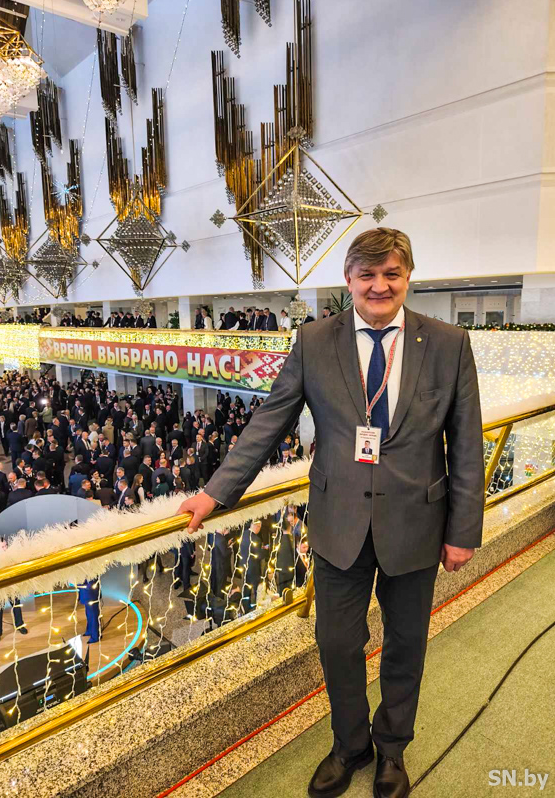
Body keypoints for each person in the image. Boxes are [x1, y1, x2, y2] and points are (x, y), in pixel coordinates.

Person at [178, 227, 485, 798]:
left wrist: (463, 530)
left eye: (391, 274)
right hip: (339, 523)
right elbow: (270, 420)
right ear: (348, 279)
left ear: (408, 278)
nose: (379, 286)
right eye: (367, 274)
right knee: (337, 643)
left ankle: (392, 749)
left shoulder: (448, 343)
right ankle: (350, 745)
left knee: (406, 646)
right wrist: (216, 492)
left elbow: (465, 443)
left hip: (417, 525)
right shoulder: (314, 340)